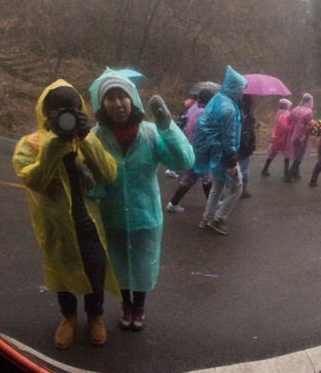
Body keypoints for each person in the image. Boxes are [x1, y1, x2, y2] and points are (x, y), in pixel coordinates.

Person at [12, 80, 119, 349]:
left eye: (72, 110)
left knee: (95, 272)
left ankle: (95, 315)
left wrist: (86, 138)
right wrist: (55, 144)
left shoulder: (86, 138)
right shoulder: (30, 144)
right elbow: (34, 181)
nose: (66, 116)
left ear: (80, 110)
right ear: (46, 113)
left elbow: (108, 174)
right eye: (59, 111)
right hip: (57, 226)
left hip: (90, 224)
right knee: (63, 275)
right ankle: (68, 316)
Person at [89, 68, 194, 332]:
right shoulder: (97, 137)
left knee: (143, 265)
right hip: (112, 216)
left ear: (132, 98)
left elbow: (183, 162)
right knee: (119, 265)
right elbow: (91, 181)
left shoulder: (150, 133)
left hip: (145, 216)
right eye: (109, 97)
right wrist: (89, 183)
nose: (117, 103)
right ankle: (126, 306)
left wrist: (167, 127)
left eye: (122, 96)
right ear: (102, 104)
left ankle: (140, 307)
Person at [193, 66, 247, 235]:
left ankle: (207, 218)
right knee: (237, 186)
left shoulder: (218, 98)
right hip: (224, 155)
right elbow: (229, 137)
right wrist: (232, 161)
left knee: (217, 186)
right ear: (235, 88)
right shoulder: (229, 109)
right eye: (241, 89)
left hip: (215, 153)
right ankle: (218, 219)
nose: (242, 93)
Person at [165, 87, 216, 213]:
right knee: (203, 177)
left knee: (196, 177)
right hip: (200, 151)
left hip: (191, 148)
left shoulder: (193, 110)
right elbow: (206, 133)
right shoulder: (205, 114)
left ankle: (174, 203)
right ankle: (212, 207)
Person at [284, 93, 315, 182]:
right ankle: (289, 176)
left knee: (296, 155)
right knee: (299, 157)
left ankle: (295, 174)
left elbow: (289, 120)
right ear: (309, 101)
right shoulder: (308, 112)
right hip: (302, 137)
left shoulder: (295, 109)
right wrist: (315, 128)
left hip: (294, 136)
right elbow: (309, 125)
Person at [260, 98, 292, 177]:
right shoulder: (283, 114)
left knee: (273, 153)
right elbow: (284, 126)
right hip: (282, 138)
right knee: (286, 154)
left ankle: (265, 169)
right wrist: (291, 127)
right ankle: (286, 173)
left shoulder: (280, 113)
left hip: (278, 137)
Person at [236, 93, 257, 198]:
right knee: (244, 166)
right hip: (244, 145)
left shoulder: (237, 109)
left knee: (236, 164)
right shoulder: (247, 115)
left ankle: (233, 185)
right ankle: (242, 189)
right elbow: (248, 133)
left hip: (236, 142)